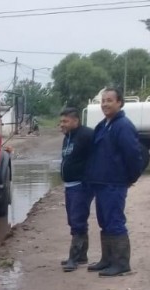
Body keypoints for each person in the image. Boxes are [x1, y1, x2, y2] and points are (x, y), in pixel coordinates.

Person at [85, 88, 143, 277]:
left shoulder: (123, 126)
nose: (105, 104)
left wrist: (130, 178)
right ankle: (107, 259)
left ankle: (121, 264)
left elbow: (134, 155)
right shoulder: (103, 125)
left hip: (114, 182)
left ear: (119, 103)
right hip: (101, 182)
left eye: (109, 100)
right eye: (103, 100)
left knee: (115, 221)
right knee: (104, 221)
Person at [58, 108, 94, 272]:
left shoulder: (86, 135)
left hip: (81, 185)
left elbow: (98, 155)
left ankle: (74, 257)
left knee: (77, 220)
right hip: (70, 186)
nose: (61, 125)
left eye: (65, 121)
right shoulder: (68, 137)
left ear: (75, 121)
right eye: (61, 121)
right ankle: (82, 256)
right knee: (74, 220)